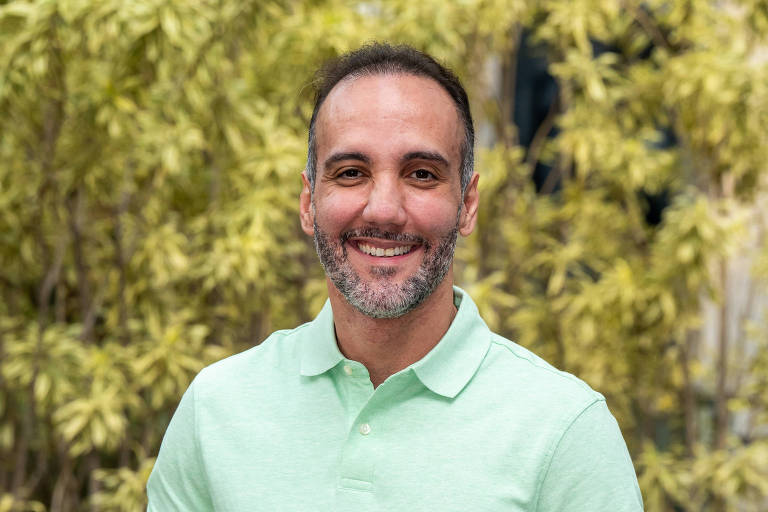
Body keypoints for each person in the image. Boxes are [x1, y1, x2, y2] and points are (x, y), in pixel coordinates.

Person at [147, 43, 644, 511]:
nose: (383, 209)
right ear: (308, 204)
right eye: (350, 173)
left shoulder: (565, 432)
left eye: (422, 173)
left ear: (467, 205)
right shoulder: (214, 410)